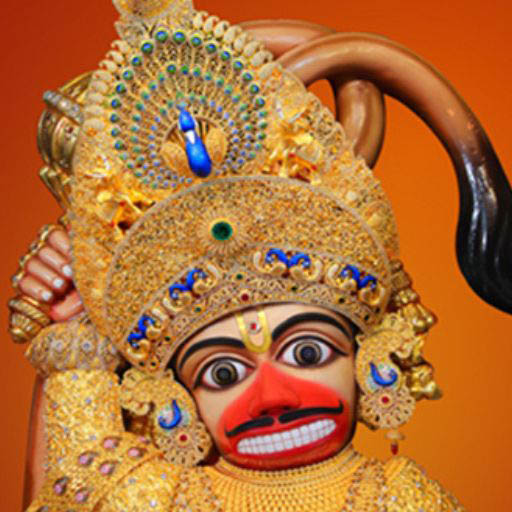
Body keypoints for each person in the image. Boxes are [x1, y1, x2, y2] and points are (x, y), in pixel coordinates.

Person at [8, 0, 511, 510]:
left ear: (368, 358)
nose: (275, 399)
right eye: (223, 374)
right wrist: (74, 333)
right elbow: (75, 484)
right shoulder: (159, 498)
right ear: (179, 401)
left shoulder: (401, 497)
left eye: (307, 354)